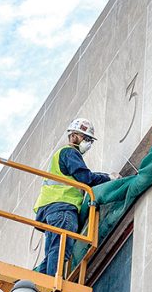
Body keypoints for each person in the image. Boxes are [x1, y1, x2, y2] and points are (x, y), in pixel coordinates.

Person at [33, 118, 112, 276]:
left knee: (53, 253)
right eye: (86, 138)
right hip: (62, 207)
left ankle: (34, 285)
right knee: (61, 250)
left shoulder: (61, 155)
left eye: (90, 140)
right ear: (74, 135)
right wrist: (109, 177)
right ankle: (51, 285)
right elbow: (86, 178)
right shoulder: (69, 152)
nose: (88, 143)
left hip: (51, 209)